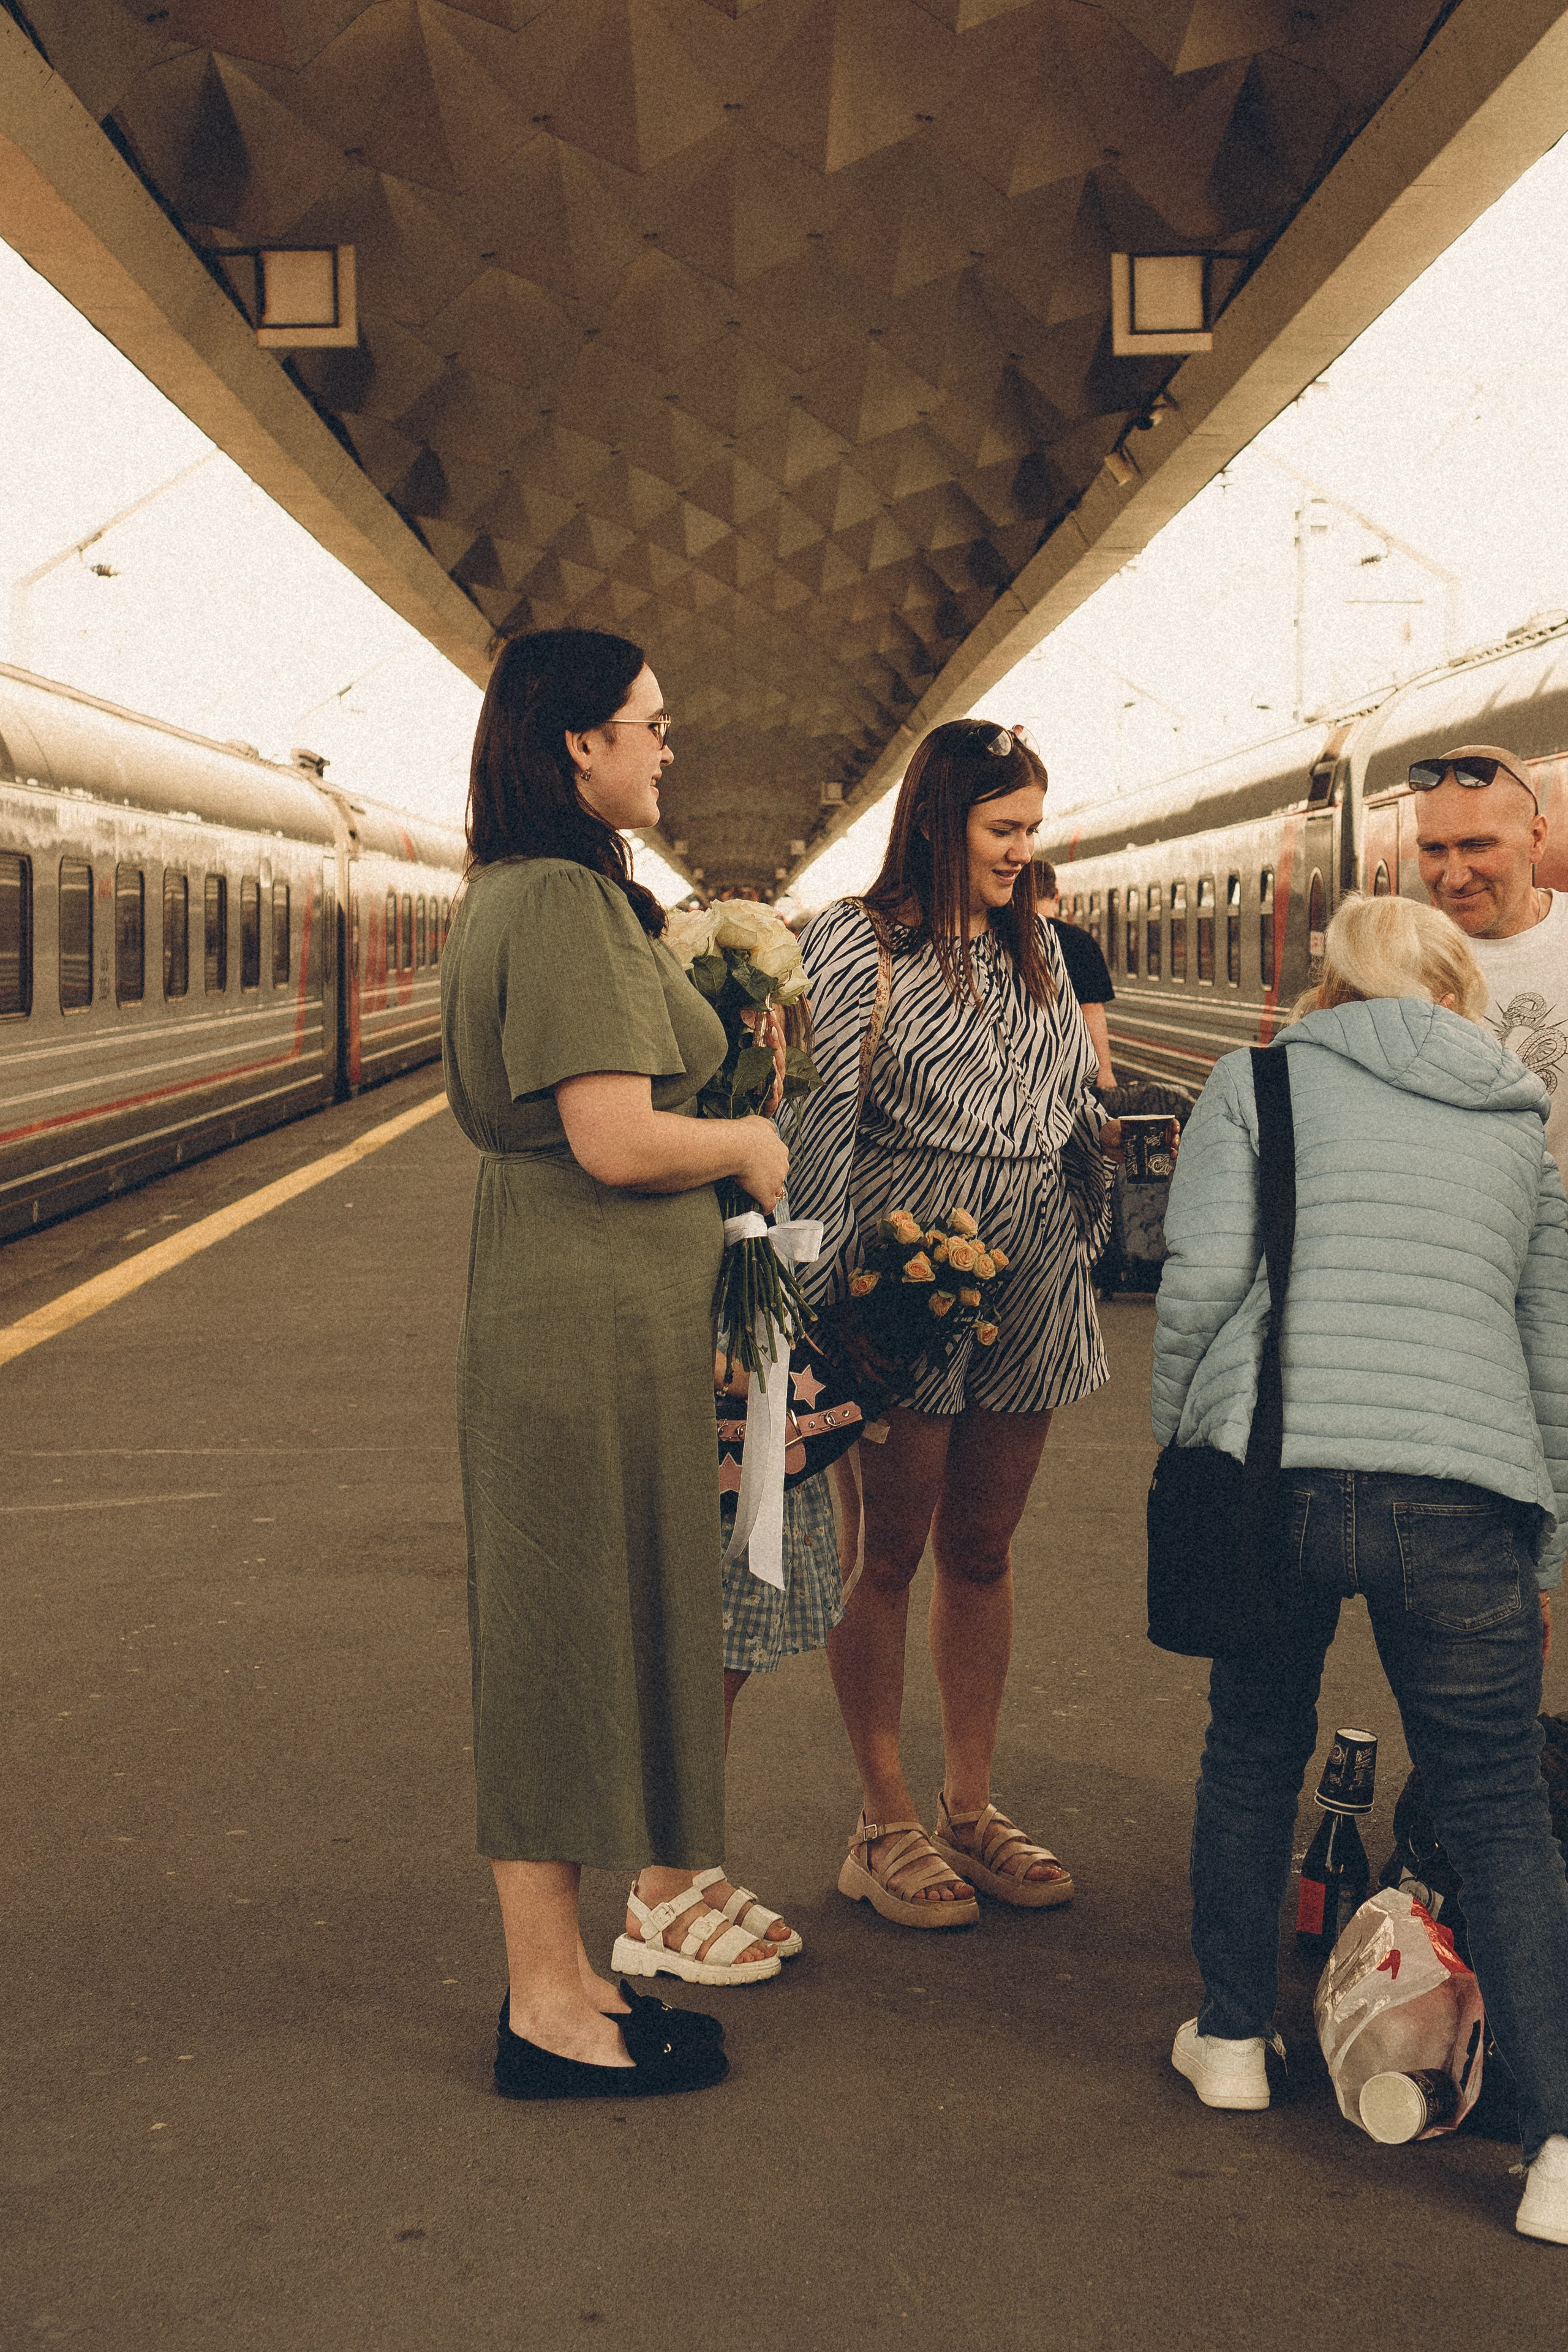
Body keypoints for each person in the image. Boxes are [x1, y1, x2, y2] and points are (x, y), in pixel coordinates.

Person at [1154, 890, 1568, 2244]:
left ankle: (1227, 2042)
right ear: (1454, 988)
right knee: (1497, 1804)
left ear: (1325, 986)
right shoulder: (1518, 1115)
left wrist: (1184, 1448)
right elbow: (1549, 1351)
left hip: (1272, 1473)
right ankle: (1558, 2148)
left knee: (1252, 1747)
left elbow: (1199, 1282)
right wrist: (1543, 1533)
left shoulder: (1255, 1081)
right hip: (1459, 1491)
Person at [442, 627, 791, 2100]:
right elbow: (614, 1138)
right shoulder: (566, 908)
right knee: (560, 1643)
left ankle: (573, 1970)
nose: (665, 748)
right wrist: (749, 1143)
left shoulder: (538, 895)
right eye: (649, 725)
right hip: (578, 1326)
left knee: (584, 1630)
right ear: (575, 744)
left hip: (581, 1315)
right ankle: (542, 2006)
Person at [786, 718, 1118, 1926]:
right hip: (905, 1271)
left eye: (1030, 831)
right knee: (887, 1551)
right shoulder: (857, 945)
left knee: (982, 1549)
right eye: (1001, 830)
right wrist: (816, 1299)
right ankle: (881, 1823)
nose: (1021, 853)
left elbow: (1073, 1103)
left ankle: (967, 1809)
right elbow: (820, 1124)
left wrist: (1078, 1240)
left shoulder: (1041, 942)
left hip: (1028, 1276)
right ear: (936, 821)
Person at [1412, 741, 1568, 1185]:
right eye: (1434, 849)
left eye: (1478, 846)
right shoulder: (1394, 963)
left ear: (1536, 839)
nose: (1454, 876)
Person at [1038, 861, 1116, 1088]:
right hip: (1071, 1068)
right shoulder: (1079, 942)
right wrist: (1105, 1071)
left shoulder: (1002, 938)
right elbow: (1091, 1010)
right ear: (1056, 895)